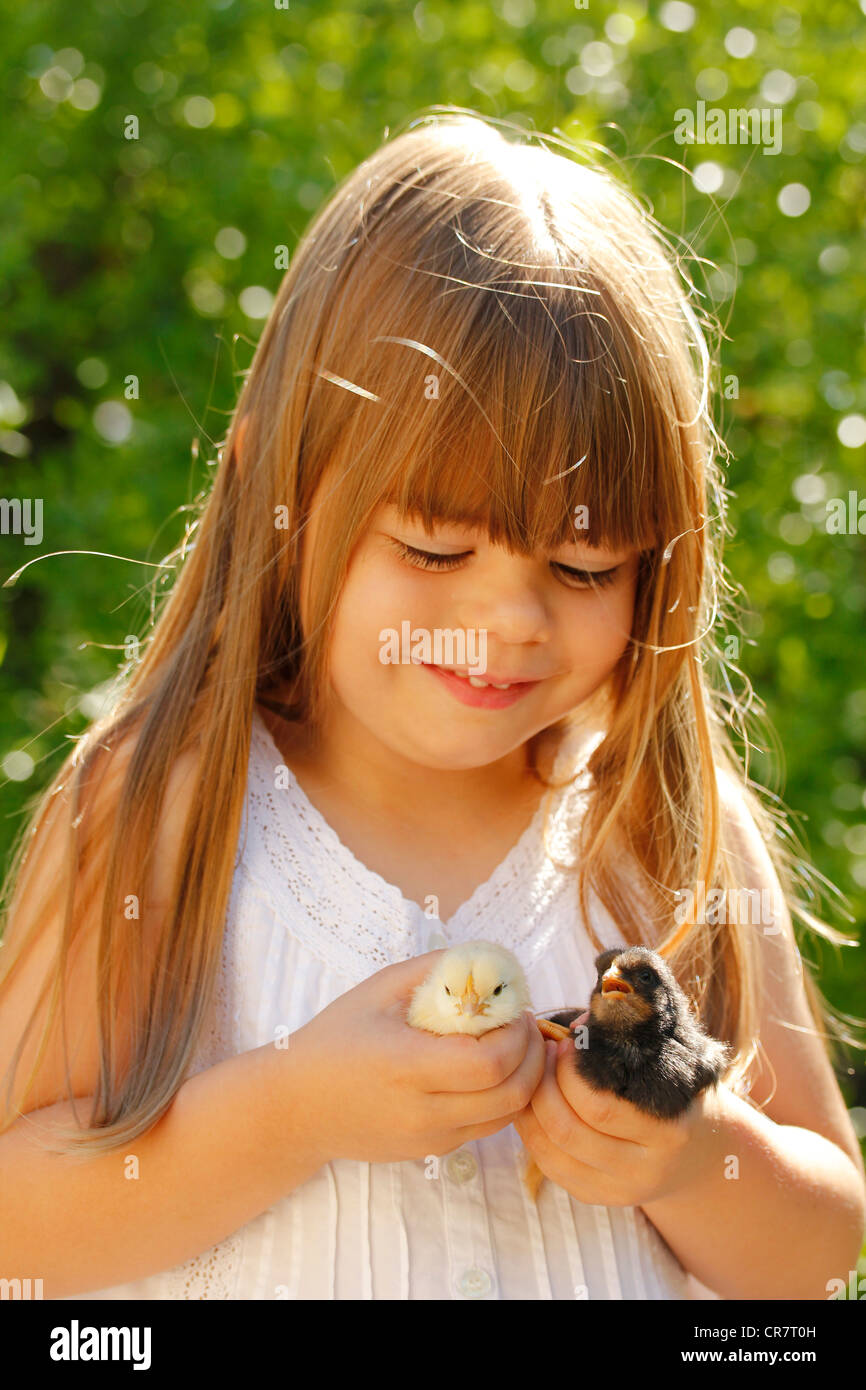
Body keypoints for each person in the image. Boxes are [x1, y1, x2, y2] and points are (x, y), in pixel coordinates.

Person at [0, 109, 863, 1301]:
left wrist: (694, 1153)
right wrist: (290, 1110)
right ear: (277, 493)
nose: (510, 622)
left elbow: (818, 1254)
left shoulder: (658, 826)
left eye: (581, 570)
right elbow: (17, 1227)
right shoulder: (161, 811)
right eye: (433, 546)